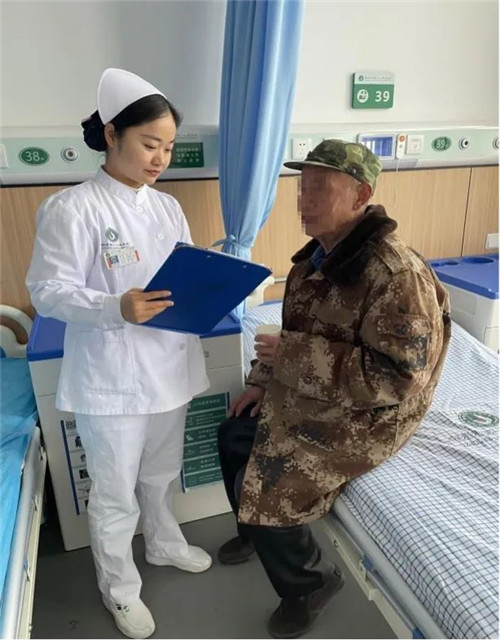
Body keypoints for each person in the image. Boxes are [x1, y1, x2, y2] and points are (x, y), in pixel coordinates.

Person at [217, 139, 451, 639]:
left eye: (319, 188)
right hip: (321, 387)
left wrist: (290, 357)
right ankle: (253, 530)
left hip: (375, 413)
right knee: (234, 432)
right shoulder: (313, 263)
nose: (304, 200)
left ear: (361, 195)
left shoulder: (395, 275)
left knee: (269, 485)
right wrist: (262, 382)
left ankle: (311, 583)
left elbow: (397, 378)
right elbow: (288, 336)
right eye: (301, 188)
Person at [26, 68, 212, 639]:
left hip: (169, 365)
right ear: (111, 135)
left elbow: (182, 272)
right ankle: (120, 590)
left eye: (168, 148)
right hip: (112, 378)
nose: (161, 159)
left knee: (161, 472)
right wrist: (115, 307)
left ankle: (163, 543)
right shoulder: (72, 209)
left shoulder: (167, 208)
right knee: (113, 494)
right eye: (150, 144)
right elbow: (46, 291)